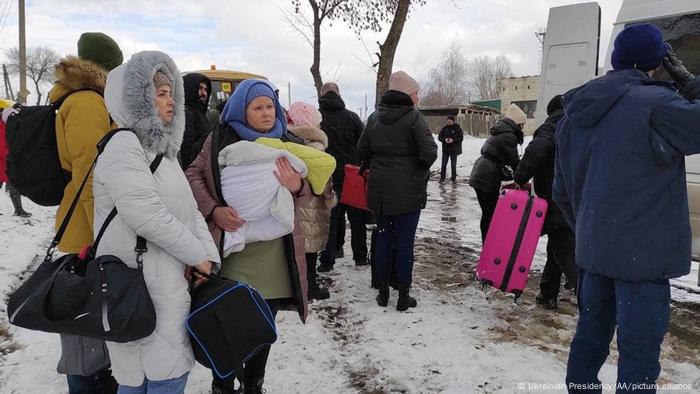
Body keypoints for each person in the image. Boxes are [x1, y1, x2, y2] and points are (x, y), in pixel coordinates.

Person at [553, 24, 700, 391]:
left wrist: (590, 228)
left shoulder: (573, 113)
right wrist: (691, 82)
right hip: (642, 258)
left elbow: (562, 192)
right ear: (656, 63)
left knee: (589, 339)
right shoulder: (657, 106)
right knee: (638, 353)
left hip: (595, 253)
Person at [95, 50, 219, 394]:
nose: (172, 103)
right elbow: (146, 214)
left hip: (165, 288)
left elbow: (190, 211)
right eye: (161, 94)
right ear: (134, 100)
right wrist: (197, 256)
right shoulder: (123, 146)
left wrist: (207, 262)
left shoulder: (161, 154)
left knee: (167, 375)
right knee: (149, 381)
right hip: (137, 290)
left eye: (171, 94)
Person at [186, 79, 311, 394]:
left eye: (270, 106)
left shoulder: (288, 140)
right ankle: (223, 384)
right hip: (235, 249)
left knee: (261, 324)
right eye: (258, 107)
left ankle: (254, 384)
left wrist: (297, 186)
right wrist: (214, 209)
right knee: (229, 320)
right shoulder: (218, 139)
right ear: (242, 110)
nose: (267, 113)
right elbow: (192, 175)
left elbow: (317, 192)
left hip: (275, 254)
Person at [49, 32, 123, 393]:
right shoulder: (87, 104)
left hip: (88, 225)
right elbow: (89, 172)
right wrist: (104, 231)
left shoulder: (86, 100)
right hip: (87, 229)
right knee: (82, 331)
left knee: (92, 323)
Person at [358, 71, 437, 311]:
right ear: (407, 94)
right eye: (416, 93)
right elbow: (430, 153)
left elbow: (362, 151)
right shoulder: (414, 118)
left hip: (380, 191)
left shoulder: (373, 118)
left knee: (383, 238)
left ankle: (382, 291)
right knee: (404, 242)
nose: (418, 97)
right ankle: (403, 294)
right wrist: (416, 169)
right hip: (407, 192)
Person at [513, 95, 578, 310]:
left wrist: (521, 177)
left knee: (565, 252)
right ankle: (547, 293)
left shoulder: (552, 127)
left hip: (556, 199)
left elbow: (535, 151)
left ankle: (594, 304)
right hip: (575, 200)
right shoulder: (578, 126)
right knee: (557, 246)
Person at [317, 82, 368, 271]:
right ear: (339, 94)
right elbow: (364, 145)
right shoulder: (352, 117)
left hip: (327, 176)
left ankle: (328, 259)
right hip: (352, 175)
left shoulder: (317, 118)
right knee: (357, 219)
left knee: (331, 218)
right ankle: (360, 257)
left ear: (321, 95)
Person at [288, 101, 335, 301]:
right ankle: (309, 286)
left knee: (294, 247)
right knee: (309, 248)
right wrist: (330, 197)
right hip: (312, 204)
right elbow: (323, 179)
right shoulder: (316, 146)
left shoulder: (286, 141)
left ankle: (295, 284)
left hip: (291, 203)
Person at [468, 103, 527, 242]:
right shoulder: (508, 136)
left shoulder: (500, 132)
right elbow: (514, 162)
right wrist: (523, 178)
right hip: (487, 176)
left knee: (488, 212)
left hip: (481, 172)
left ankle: (488, 243)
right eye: (522, 124)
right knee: (490, 213)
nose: (523, 128)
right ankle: (489, 244)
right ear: (516, 123)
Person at [0, 102, 31, 217]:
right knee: (13, 186)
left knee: (13, 186)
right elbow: (2, 147)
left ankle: (18, 210)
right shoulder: (1, 128)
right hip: (5, 163)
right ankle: (18, 210)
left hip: (5, 163)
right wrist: (11, 156)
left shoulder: (5, 126)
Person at [180, 72, 212, 169]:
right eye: (200, 88)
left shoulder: (200, 112)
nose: (204, 93)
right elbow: (187, 151)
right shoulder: (187, 114)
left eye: (206, 89)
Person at [437, 115, 463, 183]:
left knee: (453, 165)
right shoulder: (445, 128)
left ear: (453, 121)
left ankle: (453, 179)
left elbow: (460, 138)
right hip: (445, 150)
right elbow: (439, 137)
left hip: (454, 150)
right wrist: (444, 139)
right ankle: (442, 178)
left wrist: (453, 140)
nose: (448, 121)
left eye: (450, 120)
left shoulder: (458, 128)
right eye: (448, 120)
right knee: (443, 164)